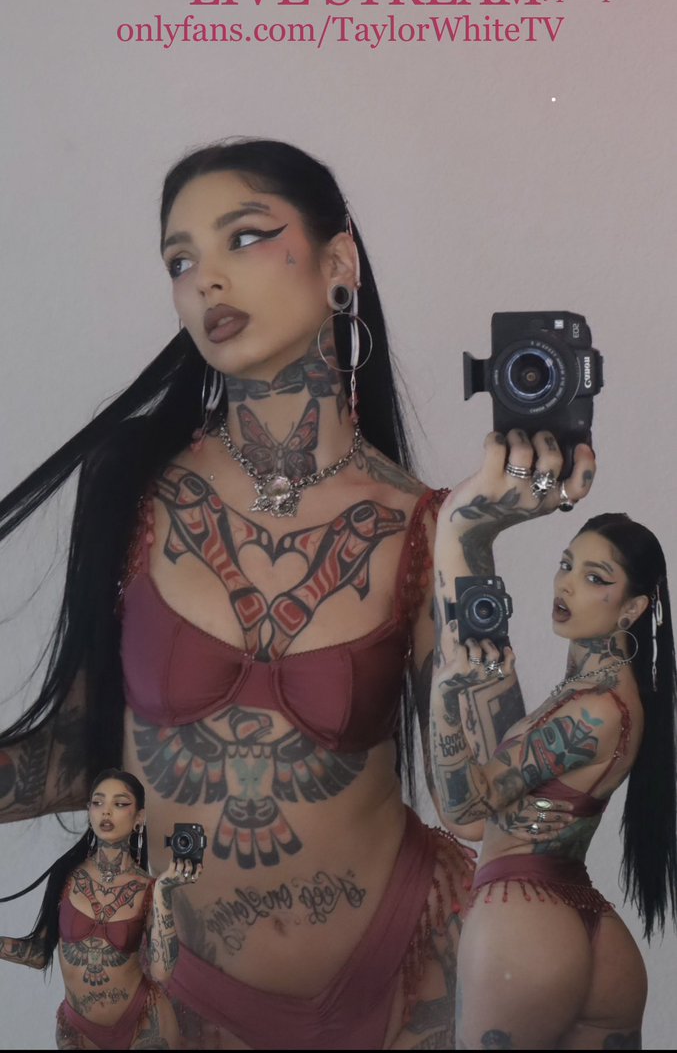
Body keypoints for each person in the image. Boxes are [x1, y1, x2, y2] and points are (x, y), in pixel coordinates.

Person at [0, 139, 594, 1049]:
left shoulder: (424, 524)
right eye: (180, 260)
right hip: (170, 991)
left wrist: (471, 542)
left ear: (338, 263)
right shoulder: (135, 487)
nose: (205, 278)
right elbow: (86, 757)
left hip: (412, 972)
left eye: (243, 237)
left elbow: (479, 808)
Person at [431, 436, 677, 1050]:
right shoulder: (606, 694)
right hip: (585, 922)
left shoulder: (594, 709)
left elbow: (464, 810)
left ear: (633, 608)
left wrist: (444, 695)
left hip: (526, 923)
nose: (566, 585)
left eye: (594, 578)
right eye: (566, 564)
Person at [0, 768, 202, 1049]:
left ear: (139, 817)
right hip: (77, 1028)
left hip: (145, 1020)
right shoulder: (67, 875)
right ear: (89, 811)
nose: (106, 811)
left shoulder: (148, 887)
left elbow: (161, 973)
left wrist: (163, 893)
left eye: (120, 803)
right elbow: (38, 953)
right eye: (98, 802)